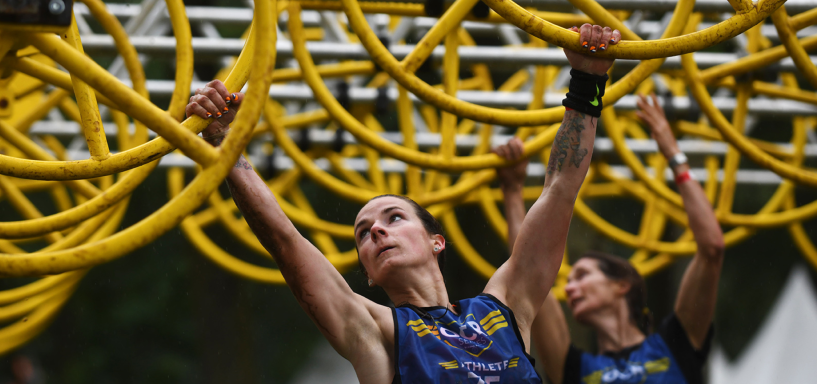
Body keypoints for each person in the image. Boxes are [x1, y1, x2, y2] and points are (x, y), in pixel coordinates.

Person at [186, 24, 622, 384]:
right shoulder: (374, 331)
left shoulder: (504, 308)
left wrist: (587, 82)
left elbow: (560, 189)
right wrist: (226, 145)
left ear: (437, 242)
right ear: (369, 275)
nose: (376, 230)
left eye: (394, 218)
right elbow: (284, 240)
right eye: (363, 232)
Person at [529, 94, 726, 384]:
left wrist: (673, 152)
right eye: (570, 280)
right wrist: (511, 191)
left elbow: (712, 248)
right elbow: (530, 272)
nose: (568, 289)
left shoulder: (675, 344)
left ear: (622, 285)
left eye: (581, 276)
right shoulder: (572, 368)